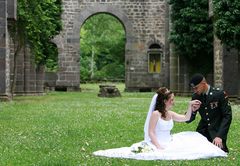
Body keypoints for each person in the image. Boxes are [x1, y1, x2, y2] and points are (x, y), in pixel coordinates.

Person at [93, 87, 227, 160]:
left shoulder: (170, 114)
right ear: (165, 101)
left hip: (170, 140)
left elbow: (185, 118)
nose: (173, 102)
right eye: (172, 100)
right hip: (158, 143)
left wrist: (189, 106)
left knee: (195, 138)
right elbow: (151, 132)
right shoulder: (156, 114)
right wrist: (158, 146)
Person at [187, 73, 232, 153]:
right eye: (193, 89)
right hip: (202, 132)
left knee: (218, 152)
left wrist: (219, 136)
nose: (195, 91)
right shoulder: (196, 96)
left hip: (216, 133)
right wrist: (192, 111)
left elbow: (227, 116)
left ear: (203, 84)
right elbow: (188, 120)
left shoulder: (219, 94)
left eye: (196, 88)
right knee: (192, 151)